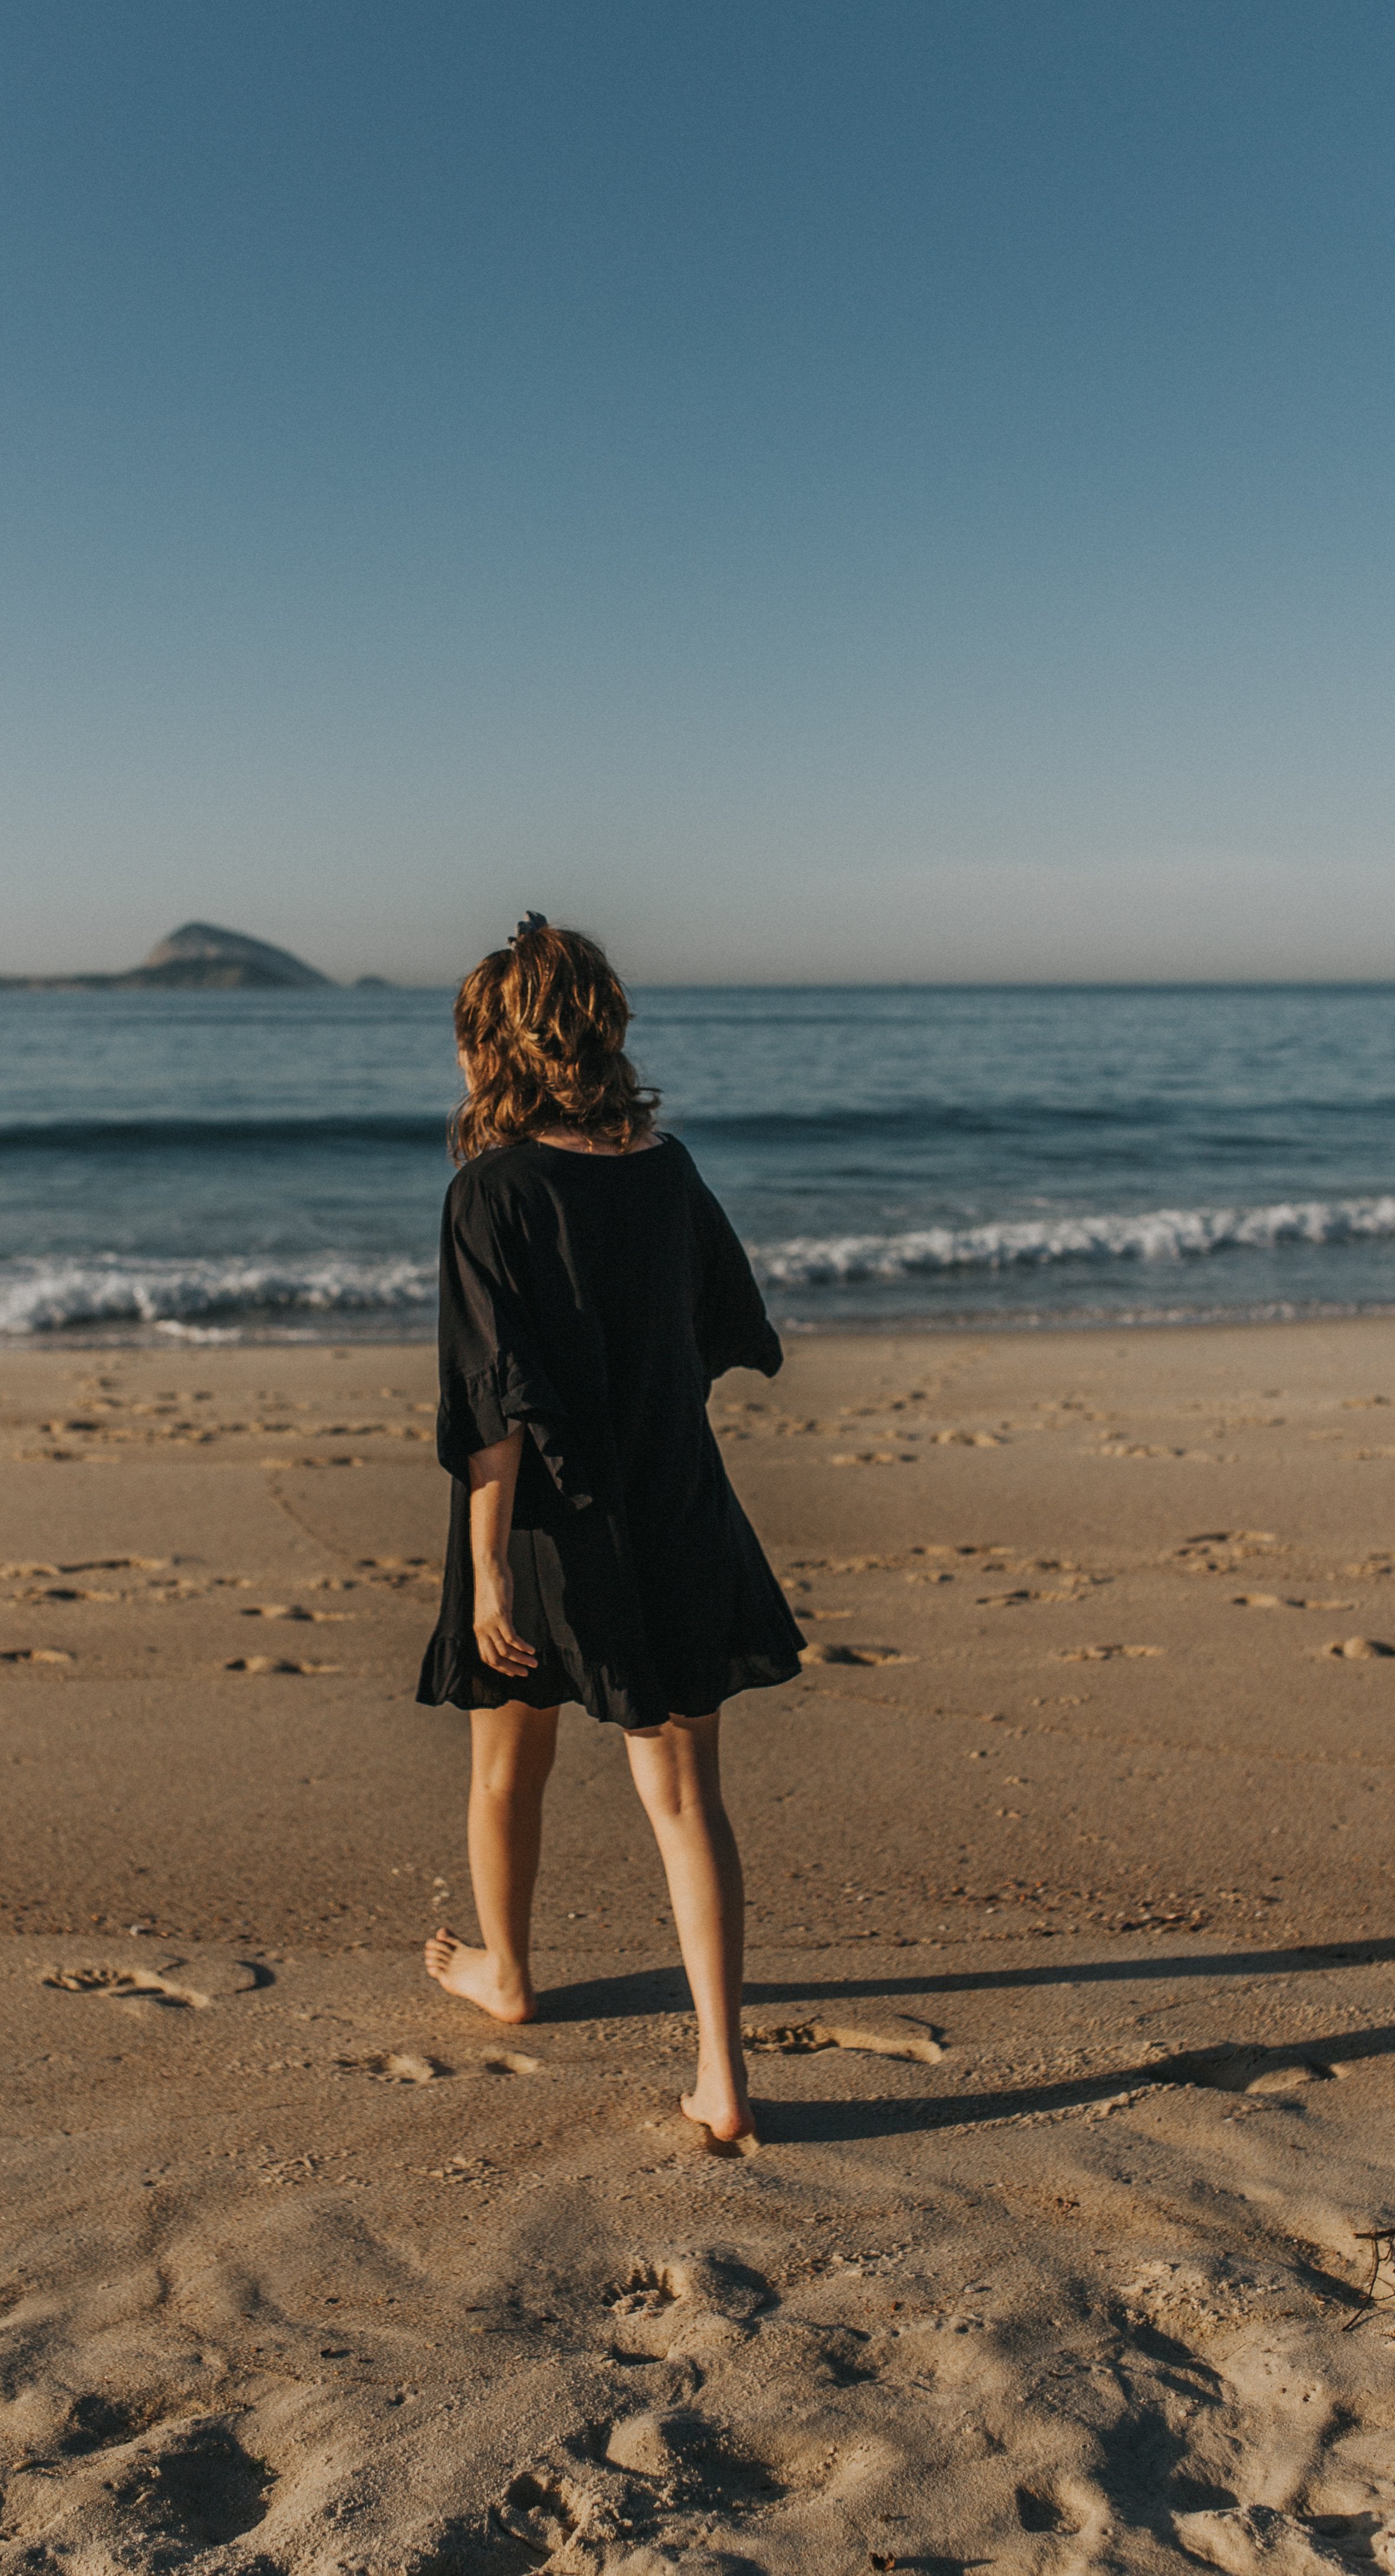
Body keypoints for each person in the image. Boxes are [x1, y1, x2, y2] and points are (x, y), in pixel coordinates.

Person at [416, 913, 802, 2144]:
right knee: (685, 1799)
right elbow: (719, 1331)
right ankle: (724, 2078)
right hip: (677, 1502)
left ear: (492, 1045)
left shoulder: (488, 1192)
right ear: (602, 1028)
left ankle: (507, 1972)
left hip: (545, 1529)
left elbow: (495, 1410)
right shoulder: (667, 1167)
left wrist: (485, 1570)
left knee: (503, 1762)